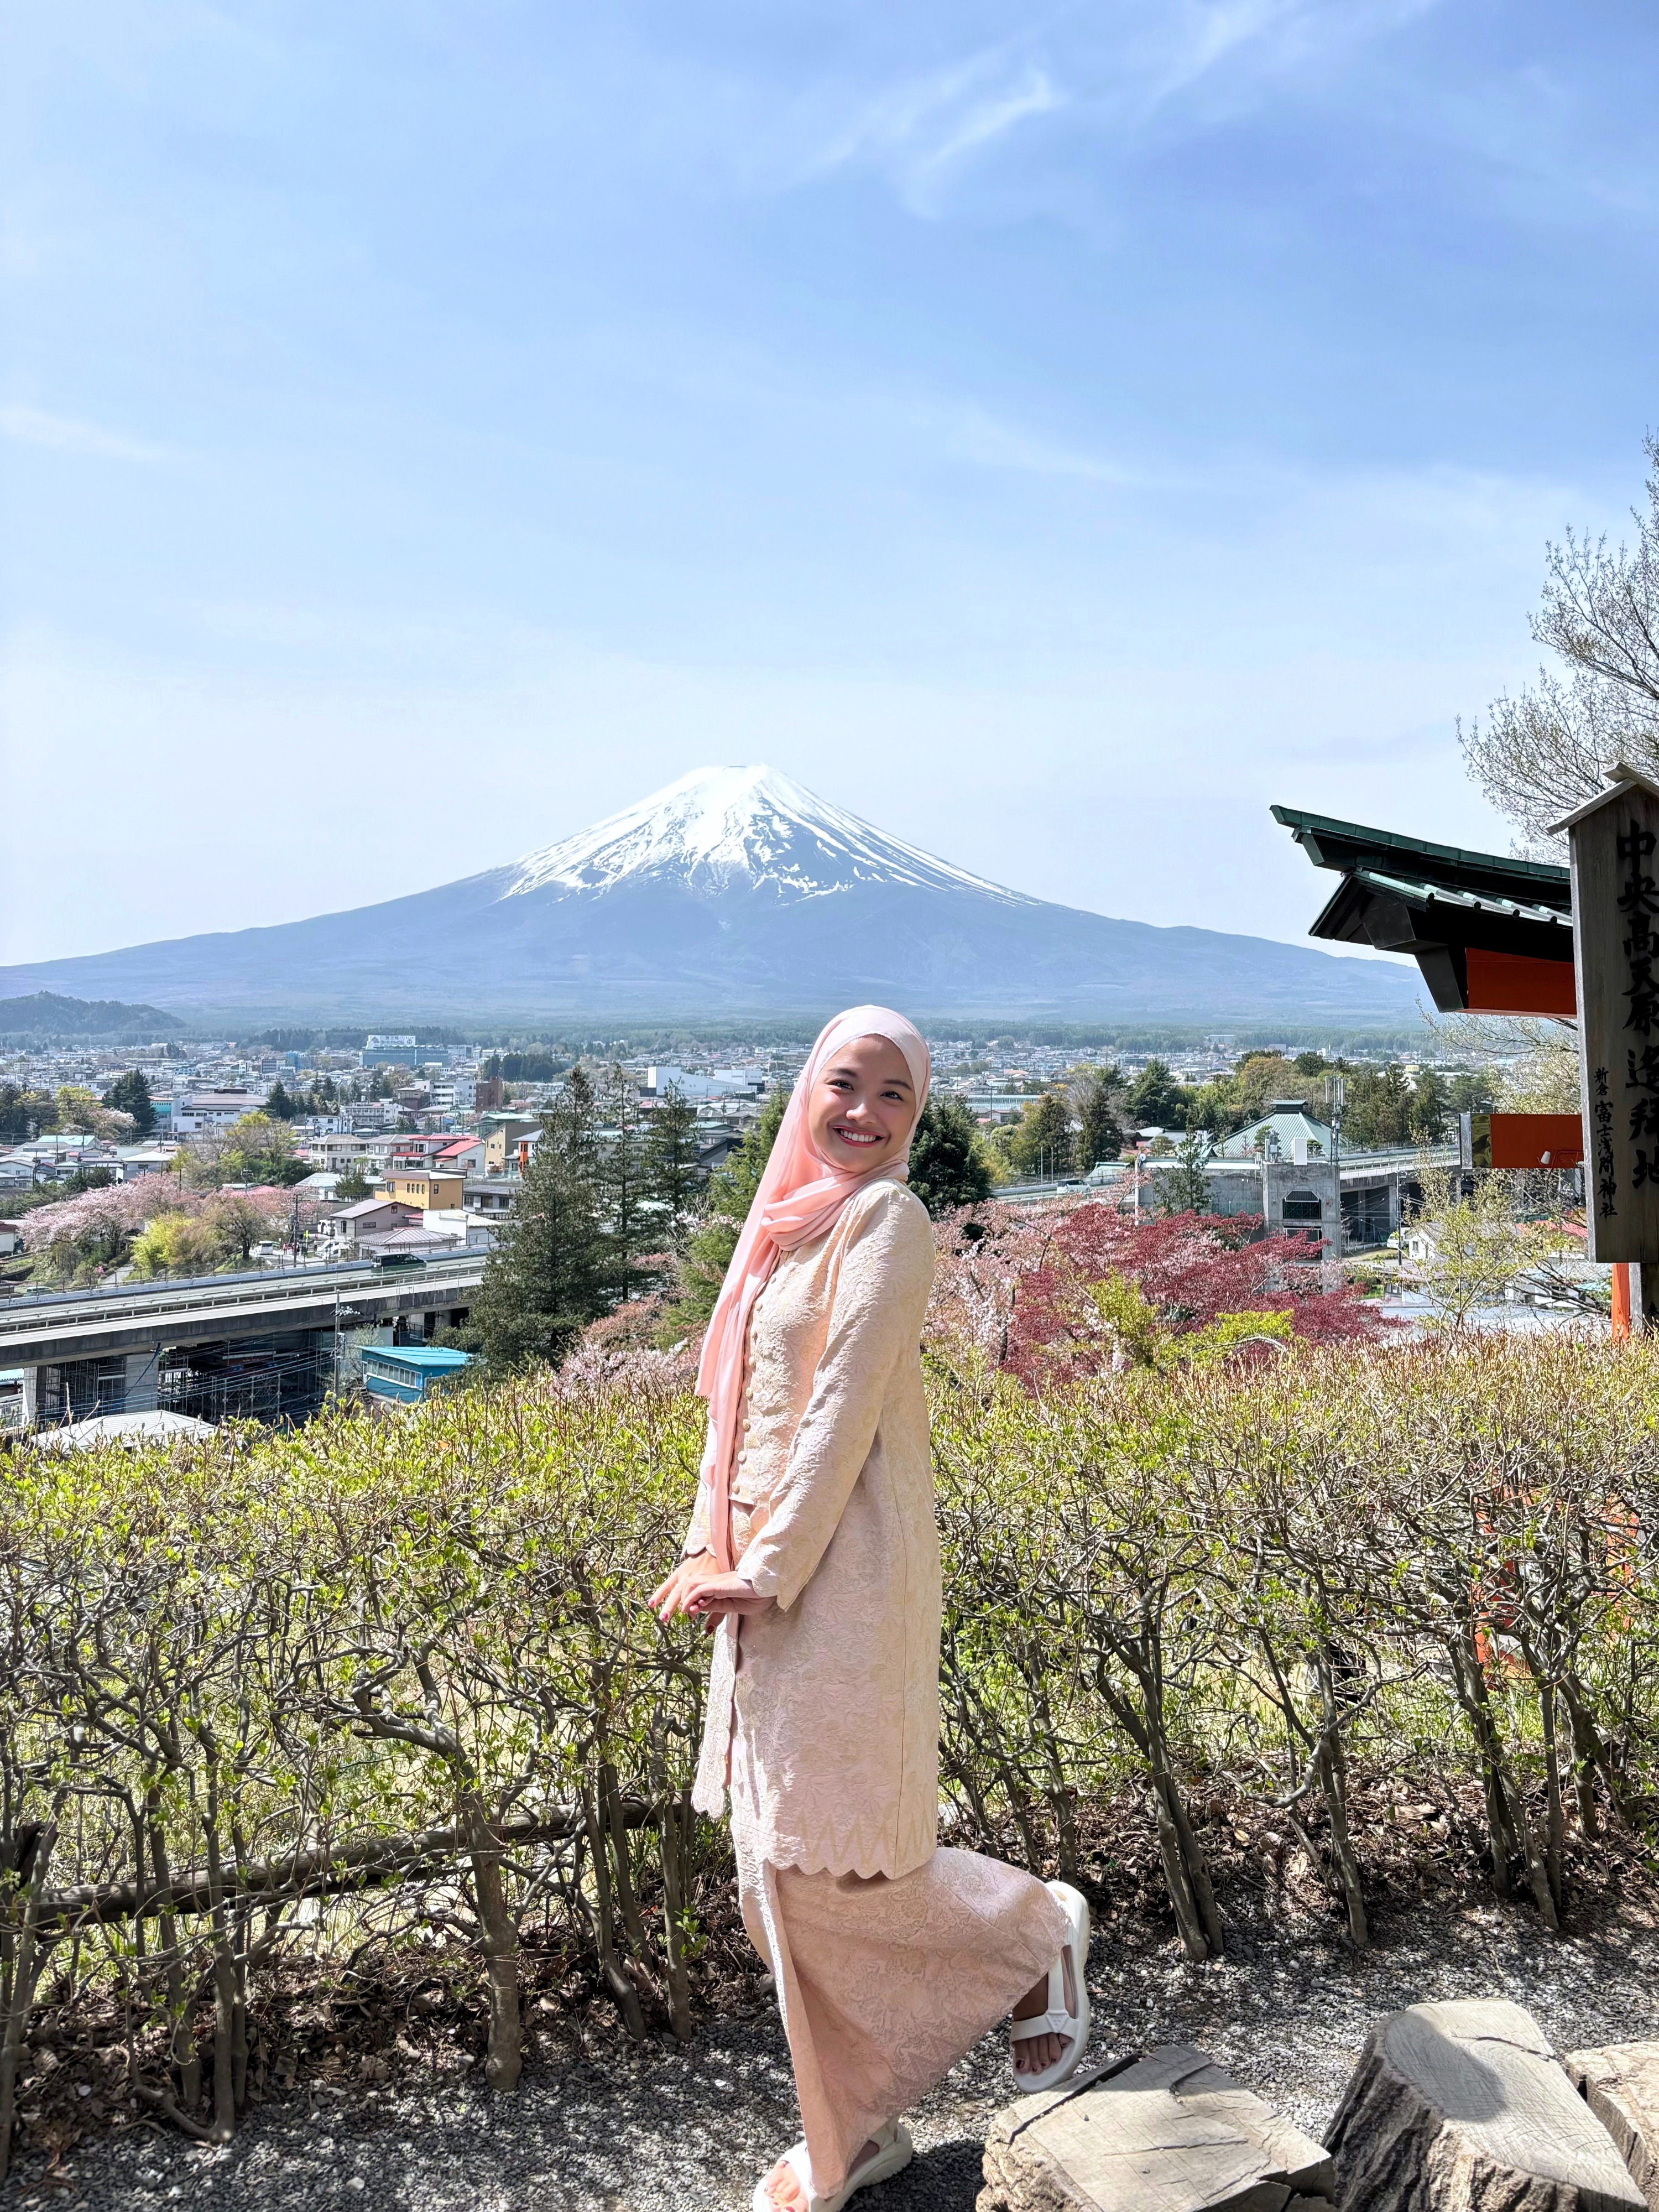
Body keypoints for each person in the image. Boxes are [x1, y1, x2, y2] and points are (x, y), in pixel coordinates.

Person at [650, 1006, 1092, 2212]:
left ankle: (1027, 1929)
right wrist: (707, 1542)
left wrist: (769, 1563)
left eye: (895, 1094)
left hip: (841, 1581)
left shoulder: (887, 1221)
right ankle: (865, 2114)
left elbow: (841, 1405)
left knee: (826, 1858)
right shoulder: (783, 1230)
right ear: (808, 1090)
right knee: (770, 1864)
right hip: (758, 1580)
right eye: (847, 1083)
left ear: (917, 1117)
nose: (865, 1111)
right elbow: (731, 1417)